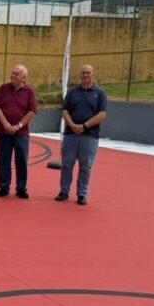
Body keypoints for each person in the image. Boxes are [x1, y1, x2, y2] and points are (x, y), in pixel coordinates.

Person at [55, 64, 108, 205]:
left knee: (86, 167)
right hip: (71, 135)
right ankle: (64, 191)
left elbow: (102, 114)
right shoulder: (72, 93)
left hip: (90, 136)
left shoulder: (100, 94)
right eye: (83, 73)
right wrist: (72, 125)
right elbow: (65, 111)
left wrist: (84, 126)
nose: (85, 75)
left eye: (88, 73)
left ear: (93, 75)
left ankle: (82, 194)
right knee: (67, 164)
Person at [0, 64, 38, 199]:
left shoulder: (29, 92)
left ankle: (21, 188)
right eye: (12, 73)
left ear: (24, 77)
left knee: (22, 160)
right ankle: (4, 187)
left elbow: (32, 111)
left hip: (21, 133)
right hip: (4, 130)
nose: (13, 75)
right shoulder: (3, 88)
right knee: (3, 160)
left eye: (16, 74)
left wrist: (18, 126)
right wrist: (5, 124)